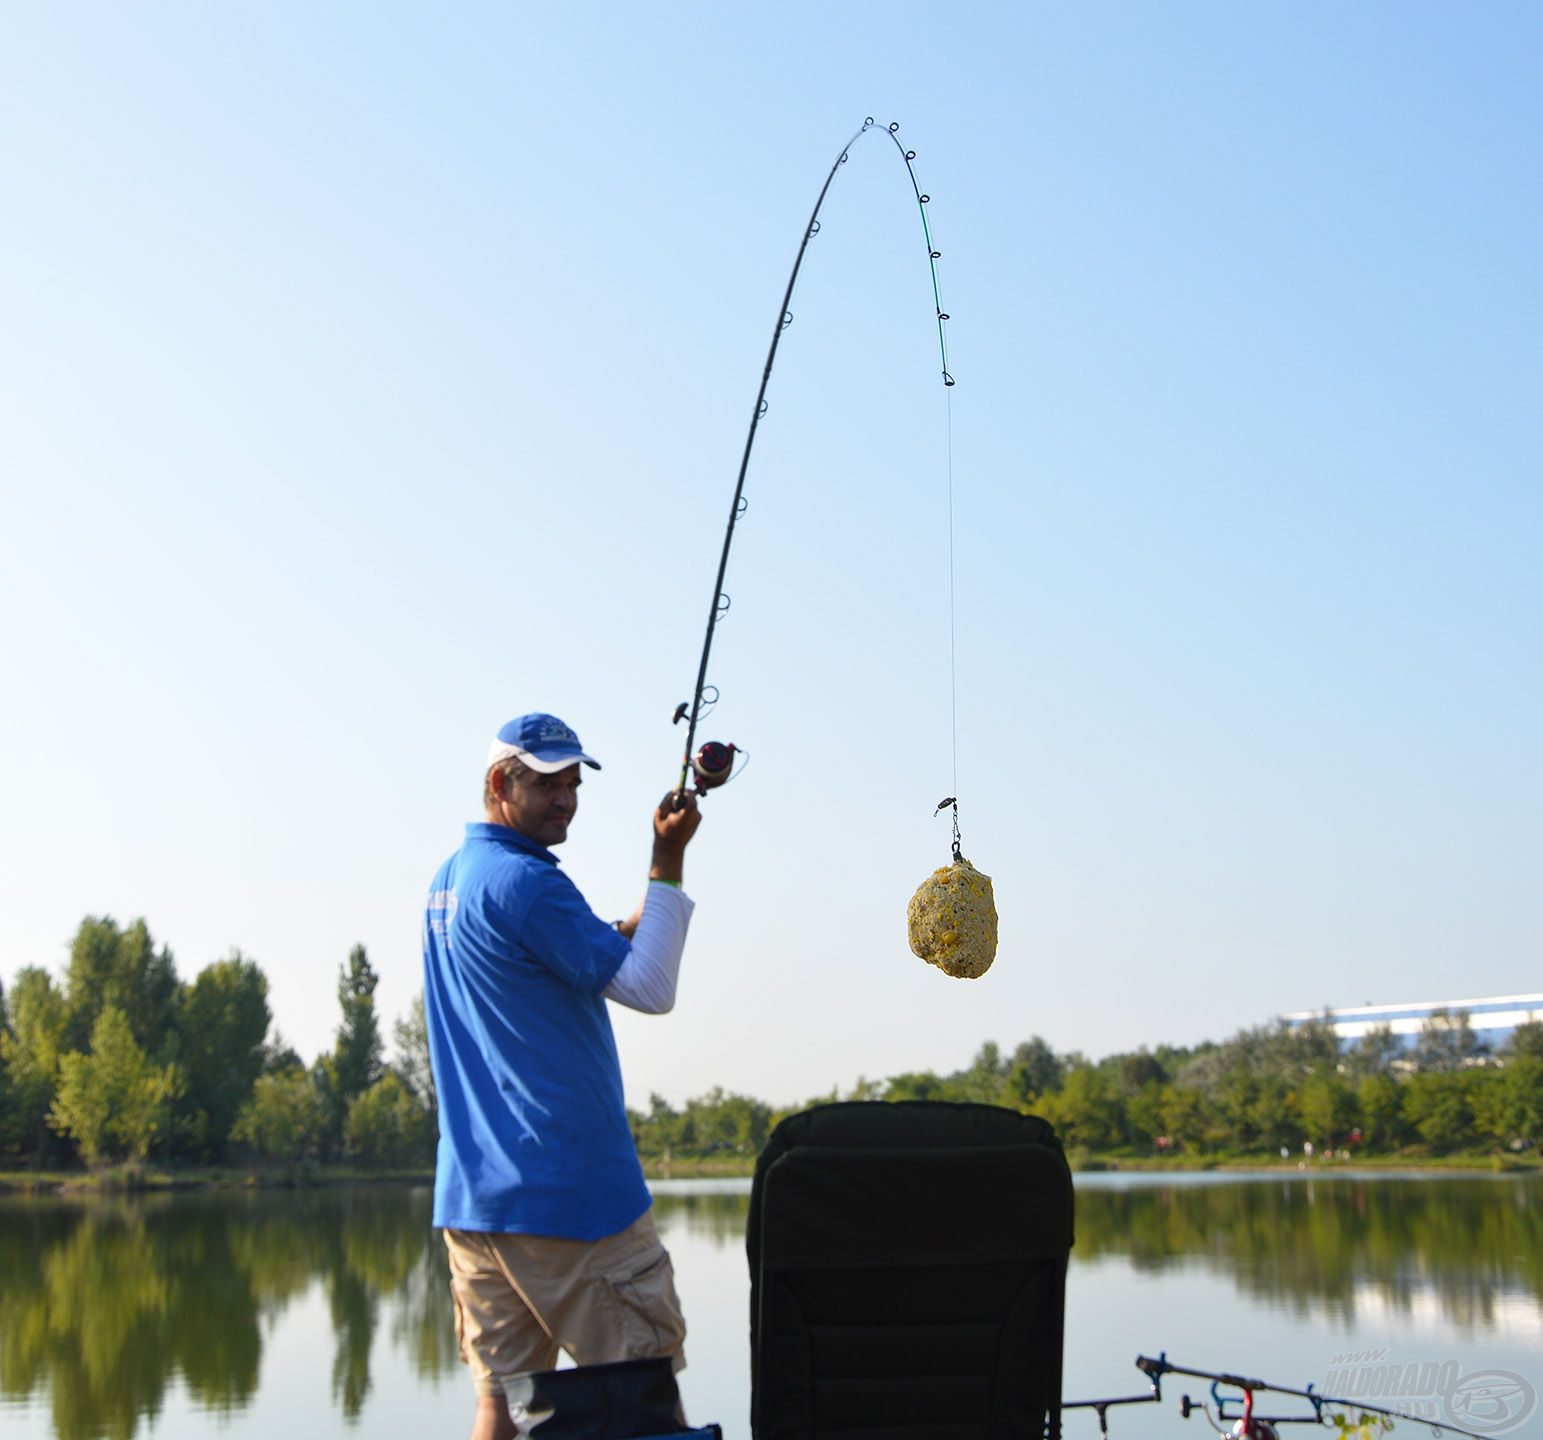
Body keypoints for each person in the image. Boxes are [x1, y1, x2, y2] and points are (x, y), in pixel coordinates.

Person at [422, 712, 703, 1440]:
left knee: (500, 1406)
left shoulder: (452, 880)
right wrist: (665, 859)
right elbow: (650, 990)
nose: (565, 798)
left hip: (477, 1204)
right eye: (545, 782)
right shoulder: (528, 882)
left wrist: (628, 924)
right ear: (499, 782)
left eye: (573, 782)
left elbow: (540, 956)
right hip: (573, 1201)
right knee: (648, 1405)